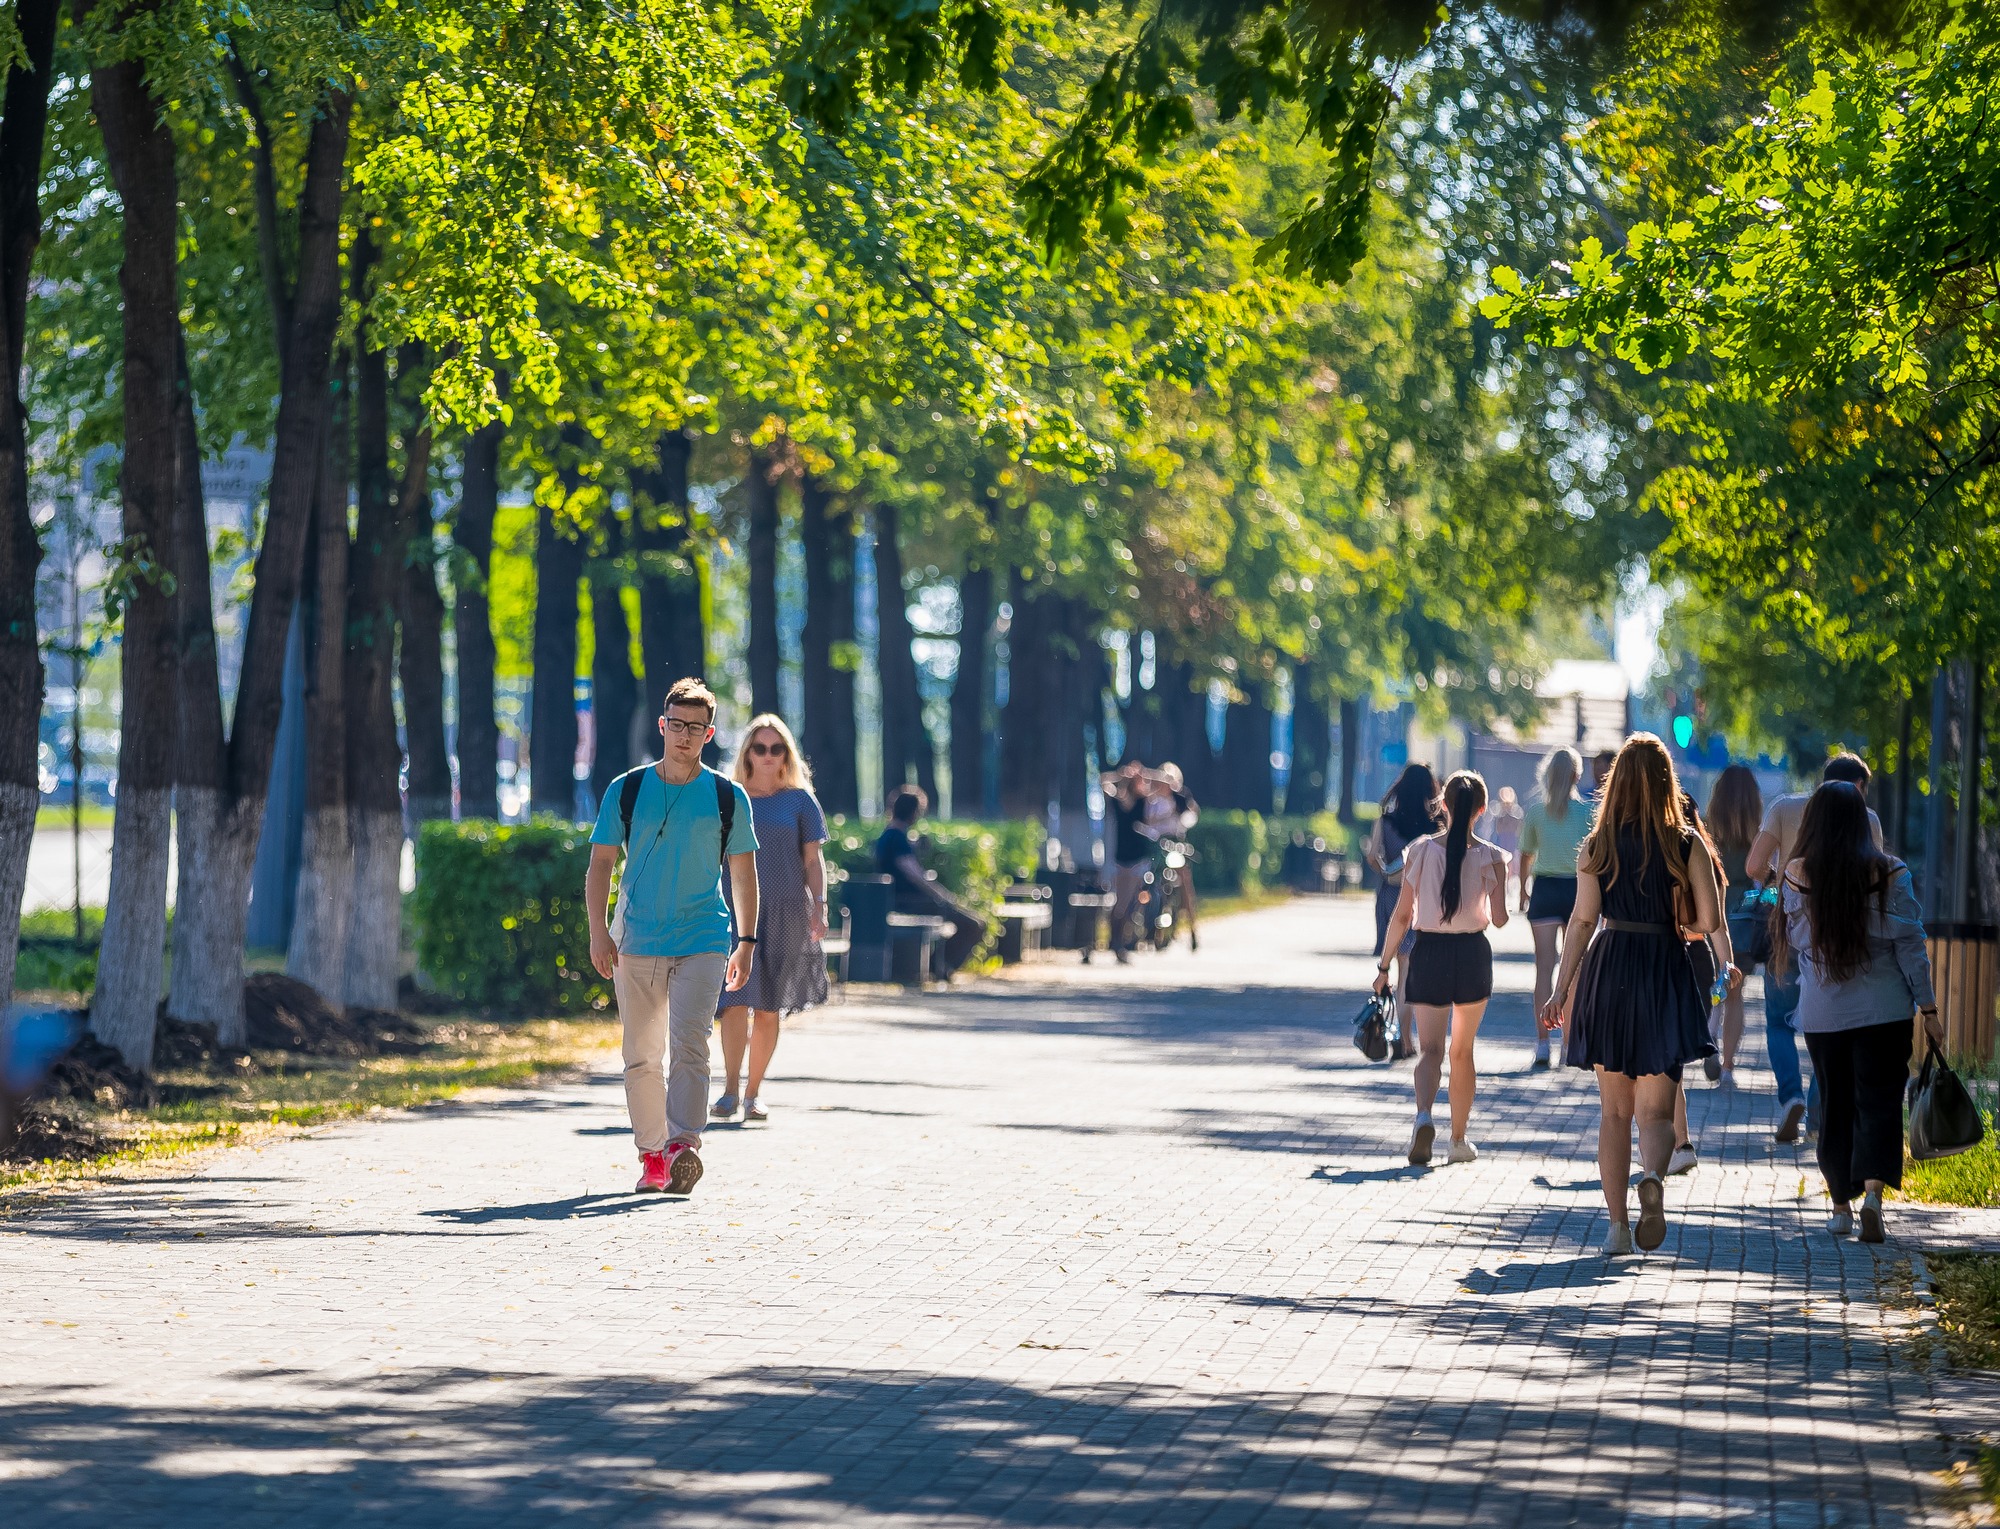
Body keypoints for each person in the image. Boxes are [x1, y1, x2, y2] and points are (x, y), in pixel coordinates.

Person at [1541, 734, 1722, 1255]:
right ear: (1668, 781)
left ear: (1615, 781)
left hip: (1611, 965)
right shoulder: (1685, 842)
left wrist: (1560, 990)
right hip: (1663, 966)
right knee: (1658, 1116)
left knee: (1614, 1114)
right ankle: (1655, 1181)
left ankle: (1617, 1228)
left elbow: (1581, 921)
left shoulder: (1598, 843)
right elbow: (1708, 919)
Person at [586, 678, 759, 1197]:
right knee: (641, 1054)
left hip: (704, 936)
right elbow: (599, 865)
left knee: (690, 1043)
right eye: (676, 725)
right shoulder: (628, 788)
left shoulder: (728, 797)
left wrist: (746, 942)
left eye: (696, 728)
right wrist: (598, 931)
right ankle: (652, 1155)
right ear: (662, 727)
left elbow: (745, 873)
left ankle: (684, 1145)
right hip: (637, 940)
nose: (685, 736)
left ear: (708, 735)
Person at [1777, 781, 1942, 1242]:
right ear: (1863, 823)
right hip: (1886, 1011)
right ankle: (1873, 1195)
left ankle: (1839, 1206)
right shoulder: (1891, 873)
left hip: (1824, 1014)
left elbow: (1798, 942)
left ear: (1813, 823)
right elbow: (1911, 947)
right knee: (1879, 1103)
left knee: (1835, 1104)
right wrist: (1928, 1008)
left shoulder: (1797, 874)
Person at [1374, 771, 1510, 1165]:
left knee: (1430, 1050)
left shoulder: (1418, 851)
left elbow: (1401, 916)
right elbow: (1499, 919)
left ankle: (1422, 1117)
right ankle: (1458, 1140)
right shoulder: (1492, 857)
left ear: (1443, 805)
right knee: (1462, 1052)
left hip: (1428, 952)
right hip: (1472, 955)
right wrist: (1495, 885)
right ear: (1481, 810)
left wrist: (1385, 966)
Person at [1746, 752, 1884, 1144]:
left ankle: (1790, 1095)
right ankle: (1819, 1117)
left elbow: (1754, 866)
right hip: (1842, 938)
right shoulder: (1866, 820)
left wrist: (1782, 878)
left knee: (1777, 1021)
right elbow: (1877, 879)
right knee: (1834, 1027)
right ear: (1858, 787)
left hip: (1787, 931)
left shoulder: (1785, 807)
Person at [713, 714, 828, 1126]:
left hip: (785, 911)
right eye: (758, 748)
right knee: (733, 1002)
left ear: (786, 756)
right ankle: (727, 1090)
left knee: (768, 1007)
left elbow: (813, 861)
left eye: (775, 748)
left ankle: (753, 1094)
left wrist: (820, 905)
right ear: (747, 753)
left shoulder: (799, 801)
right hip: (735, 910)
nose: (766, 756)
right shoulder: (728, 796)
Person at [1668, 794, 1740, 1177]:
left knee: (1669, 1055)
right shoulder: (1710, 861)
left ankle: (1679, 1141)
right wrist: (1727, 964)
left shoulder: (1671, 853)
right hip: (1702, 959)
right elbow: (1719, 924)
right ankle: (1677, 1139)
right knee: (1675, 1048)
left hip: (1672, 952)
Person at [1518, 747, 1589, 1071]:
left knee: (1543, 970)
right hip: (1576, 890)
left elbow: (1525, 856)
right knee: (1571, 972)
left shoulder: (1535, 812)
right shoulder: (1587, 814)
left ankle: (1542, 1044)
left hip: (1545, 889)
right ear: (1577, 775)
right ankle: (1569, 1044)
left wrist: (1522, 891)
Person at [1366, 763, 1443, 1060]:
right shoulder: (1436, 825)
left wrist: (1386, 871)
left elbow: (1373, 855)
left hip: (1390, 894)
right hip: (1422, 897)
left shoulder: (1385, 821)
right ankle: (1406, 1039)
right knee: (1411, 972)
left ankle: (1401, 1036)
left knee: (1399, 965)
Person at [876, 786, 990, 978]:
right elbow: (915, 875)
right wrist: (944, 895)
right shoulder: (896, 838)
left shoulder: (891, 835)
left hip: (905, 900)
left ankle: (937, 966)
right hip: (908, 902)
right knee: (975, 925)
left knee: (972, 923)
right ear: (914, 812)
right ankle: (938, 967)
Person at [1705, 764, 1764, 1087]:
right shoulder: (1758, 830)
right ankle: (1727, 1067)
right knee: (1735, 992)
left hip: (1712, 911)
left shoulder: (1709, 827)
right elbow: (1762, 878)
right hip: (1743, 919)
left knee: (1714, 984)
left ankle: (1709, 1033)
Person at [1141, 762, 1200, 951]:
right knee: (1147, 881)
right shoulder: (1152, 800)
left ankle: (1192, 928)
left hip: (1174, 845)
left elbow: (1192, 815)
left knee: (1184, 882)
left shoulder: (1180, 798)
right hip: (1156, 847)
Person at [1101, 763, 1153, 963]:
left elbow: (1167, 784)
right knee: (1120, 902)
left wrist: (1144, 773)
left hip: (1137, 858)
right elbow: (1102, 780)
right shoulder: (1117, 799)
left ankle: (1119, 941)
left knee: (1131, 901)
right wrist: (1119, 774)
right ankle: (1116, 942)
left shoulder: (1143, 799)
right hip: (1120, 858)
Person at [1486, 785, 1524, 861]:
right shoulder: (1498, 820)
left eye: (1508, 804)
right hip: (1501, 846)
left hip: (1513, 847)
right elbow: (1497, 832)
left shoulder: (1516, 820)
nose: (1506, 807)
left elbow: (1519, 833)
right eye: (1504, 804)